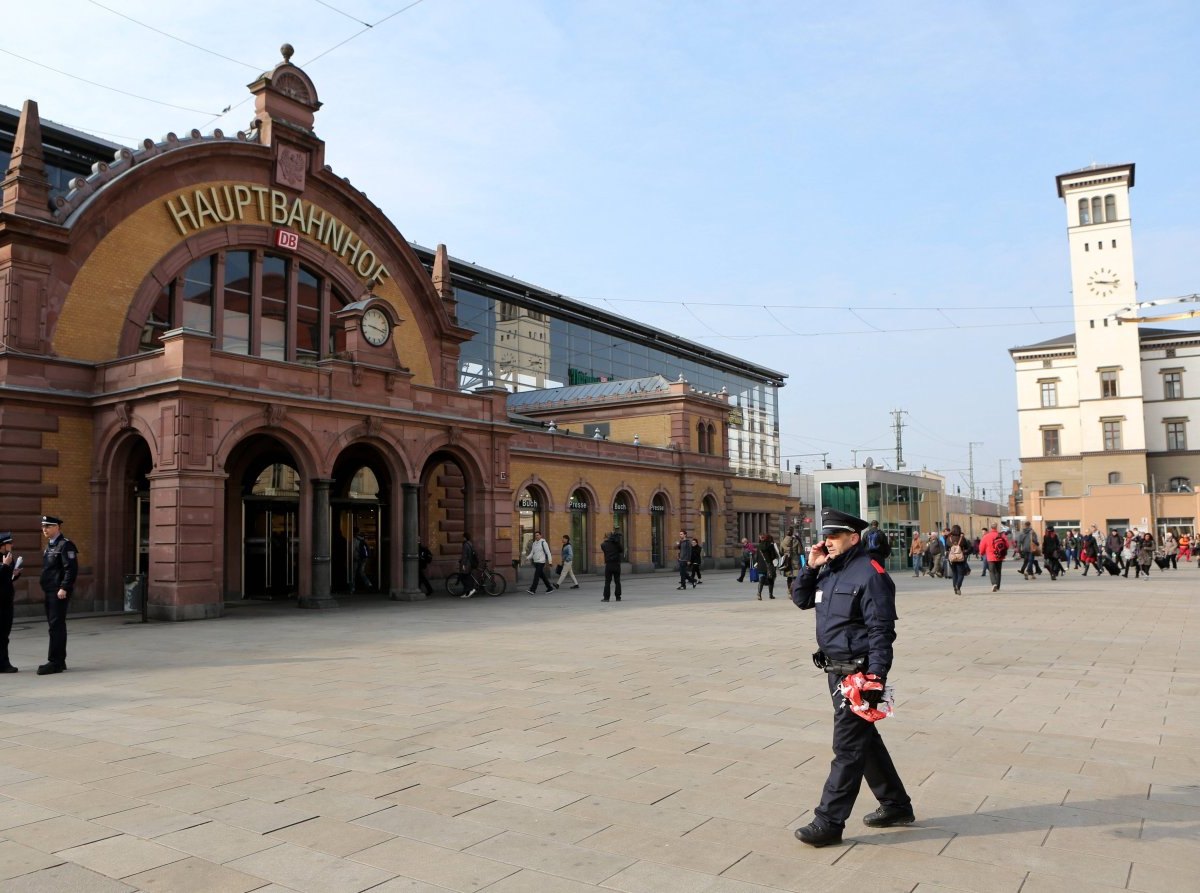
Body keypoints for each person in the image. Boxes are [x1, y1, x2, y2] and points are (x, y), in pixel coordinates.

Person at [791, 507, 912, 847]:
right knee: (865, 742)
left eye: (833, 536)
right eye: (825, 536)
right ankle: (896, 805)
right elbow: (801, 599)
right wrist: (810, 566)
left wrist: (876, 677)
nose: (826, 542)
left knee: (847, 748)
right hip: (834, 670)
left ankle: (828, 821)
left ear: (853, 537)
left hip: (858, 675)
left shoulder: (870, 574)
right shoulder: (829, 569)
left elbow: (881, 630)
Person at [38, 515, 77, 675]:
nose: (44, 529)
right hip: (49, 590)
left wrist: (64, 587)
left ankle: (55, 662)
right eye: (43, 526)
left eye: (48, 526)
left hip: (58, 591)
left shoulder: (65, 545)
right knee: (56, 626)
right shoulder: (50, 546)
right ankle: (60, 660)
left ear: (57, 527)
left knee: (56, 626)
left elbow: (71, 569)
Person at [1, 533, 20, 673]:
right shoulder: (6, 560)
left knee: (4, 635)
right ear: (2, 545)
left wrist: (15, 573)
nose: (12, 546)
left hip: (6, 601)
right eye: (9, 543)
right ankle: (3, 664)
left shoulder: (9, 558)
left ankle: (4, 663)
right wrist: (5, 567)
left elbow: (7, 580)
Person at [977, 523, 1007, 592]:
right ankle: (998, 586)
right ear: (996, 528)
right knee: (998, 571)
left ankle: (994, 584)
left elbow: (982, 546)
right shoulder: (1001, 535)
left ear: (991, 528)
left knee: (991, 571)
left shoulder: (986, 536)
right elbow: (1007, 545)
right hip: (999, 556)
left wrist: (981, 553)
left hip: (990, 556)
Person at [945, 524, 970, 595]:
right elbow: (967, 547)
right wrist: (965, 552)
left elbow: (946, 548)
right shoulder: (962, 538)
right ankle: (958, 586)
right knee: (961, 574)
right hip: (960, 559)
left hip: (952, 558)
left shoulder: (949, 538)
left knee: (954, 573)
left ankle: (955, 588)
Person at [753, 532, 778, 600]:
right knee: (771, 579)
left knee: (761, 579)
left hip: (761, 565)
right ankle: (770, 595)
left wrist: (756, 562)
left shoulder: (759, 546)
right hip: (769, 564)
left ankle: (759, 594)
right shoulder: (770, 546)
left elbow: (756, 557)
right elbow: (773, 556)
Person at [601, 531, 622, 602]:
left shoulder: (603, 544)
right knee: (617, 581)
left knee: (607, 582)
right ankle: (618, 597)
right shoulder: (616, 544)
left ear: (606, 537)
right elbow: (621, 550)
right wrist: (616, 542)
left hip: (609, 565)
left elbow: (604, 547)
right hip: (616, 564)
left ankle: (606, 598)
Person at [459, 532, 481, 598]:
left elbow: (465, 555)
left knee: (463, 578)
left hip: (467, 564)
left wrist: (463, 564)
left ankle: (470, 590)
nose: (462, 538)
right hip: (470, 563)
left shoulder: (466, 545)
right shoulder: (470, 543)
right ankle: (467, 592)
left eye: (462, 537)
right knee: (467, 577)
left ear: (465, 537)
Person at [780, 526, 798, 592]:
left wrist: (785, 554)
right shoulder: (796, 541)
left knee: (789, 577)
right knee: (795, 577)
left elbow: (781, 552)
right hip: (795, 561)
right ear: (792, 532)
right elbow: (800, 552)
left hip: (786, 561)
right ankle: (792, 590)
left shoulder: (783, 541)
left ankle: (789, 591)